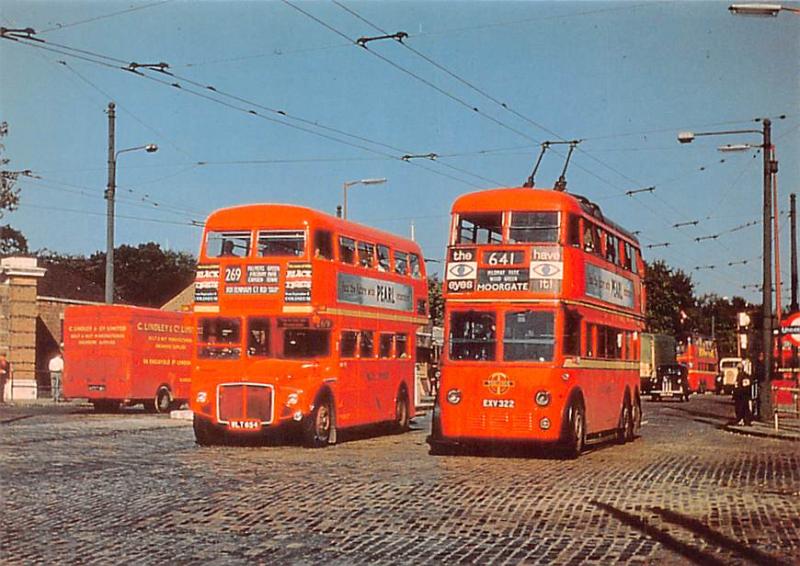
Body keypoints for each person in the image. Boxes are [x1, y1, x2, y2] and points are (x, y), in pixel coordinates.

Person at [733, 359, 753, 426]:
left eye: (739, 368)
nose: (738, 370)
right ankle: (742, 420)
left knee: (743, 408)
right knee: (740, 408)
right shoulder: (739, 375)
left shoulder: (744, 376)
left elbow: (745, 385)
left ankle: (743, 420)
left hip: (742, 395)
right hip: (740, 395)